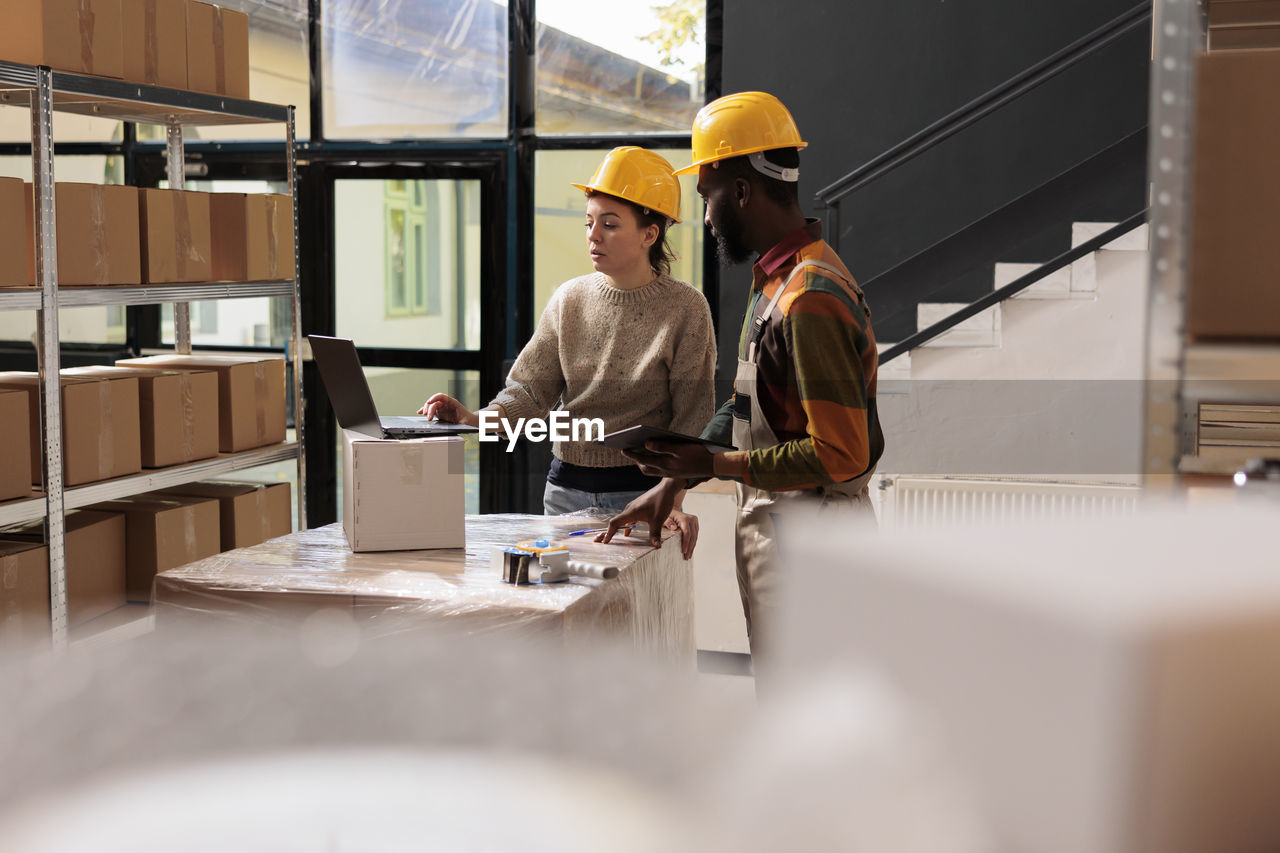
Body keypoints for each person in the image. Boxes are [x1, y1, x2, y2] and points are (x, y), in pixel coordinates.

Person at [599, 93, 885, 661]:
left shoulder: (810, 296)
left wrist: (712, 465)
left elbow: (841, 455)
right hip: (785, 524)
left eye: (708, 196)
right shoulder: (774, 282)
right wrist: (675, 482)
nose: (705, 216)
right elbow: (744, 402)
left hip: (814, 537)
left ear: (743, 191)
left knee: (807, 718)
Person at [421, 146, 716, 559]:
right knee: (562, 609)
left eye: (610, 225)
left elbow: (694, 416)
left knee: (624, 620)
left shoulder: (687, 308)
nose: (593, 235)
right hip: (564, 490)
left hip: (640, 494)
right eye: (589, 222)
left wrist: (673, 496)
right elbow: (528, 393)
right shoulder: (569, 299)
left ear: (650, 234)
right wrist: (473, 420)